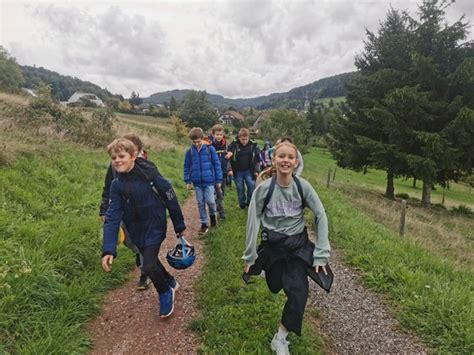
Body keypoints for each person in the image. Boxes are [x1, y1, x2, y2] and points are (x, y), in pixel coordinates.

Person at [242, 141, 330, 354]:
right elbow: (252, 220)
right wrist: (250, 256)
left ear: (296, 162)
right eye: (281, 156)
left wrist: (321, 254)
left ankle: (280, 338)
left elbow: (320, 214)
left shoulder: (303, 187)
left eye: (290, 157)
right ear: (274, 160)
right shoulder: (264, 189)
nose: (286, 160)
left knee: (298, 293)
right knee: (275, 285)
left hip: (297, 247)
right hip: (273, 248)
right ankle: (271, 272)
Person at [101, 138, 186, 318]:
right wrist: (108, 249)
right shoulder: (116, 185)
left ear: (133, 156)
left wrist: (179, 224)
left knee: (147, 265)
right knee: (151, 260)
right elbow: (113, 216)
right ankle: (170, 281)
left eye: (121, 156)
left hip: (154, 225)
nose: (117, 160)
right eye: (114, 157)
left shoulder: (150, 175)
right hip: (135, 229)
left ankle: (164, 292)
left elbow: (170, 197)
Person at [99, 134, 151, 291]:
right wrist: (104, 209)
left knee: (142, 242)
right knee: (128, 240)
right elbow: (108, 187)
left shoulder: (146, 166)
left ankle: (145, 274)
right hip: (120, 209)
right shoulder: (114, 165)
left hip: (141, 212)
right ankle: (138, 252)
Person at [183, 127, 223, 234]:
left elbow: (217, 164)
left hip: (209, 181)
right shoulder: (189, 152)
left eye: (198, 141)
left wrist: (219, 179)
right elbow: (186, 167)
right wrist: (187, 181)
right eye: (194, 142)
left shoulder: (210, 149)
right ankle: (204, 223)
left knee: (210, 201)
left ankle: (213, 216)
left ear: (202, 138)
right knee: (200, 203)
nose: (197, 144)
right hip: (197, 183)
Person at [226, 128, 261, 209]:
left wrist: (256, 170)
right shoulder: (233, 144)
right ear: (239, 137)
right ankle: (242, 204)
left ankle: (249, 203)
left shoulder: (253, 145)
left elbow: (257, 159)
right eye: (242, 139)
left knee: (251, 186)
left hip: (249, 170)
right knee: (240, 188)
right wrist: (229, 169)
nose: (244, 141)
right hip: (237, 171)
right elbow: (228, 157)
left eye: (246, 139)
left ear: (248, 137)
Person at [208, 124, 230, 220]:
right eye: (217, 134)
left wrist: (229, 169)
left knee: (222, 193)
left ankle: (218, 209)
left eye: (220, 134)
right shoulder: (209, 146)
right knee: (217, 193)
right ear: (213, 135)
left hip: (223, 172)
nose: (219, 136)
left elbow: (229, 159)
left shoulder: (226, 145)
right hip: (213, 174)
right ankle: (221, 214)